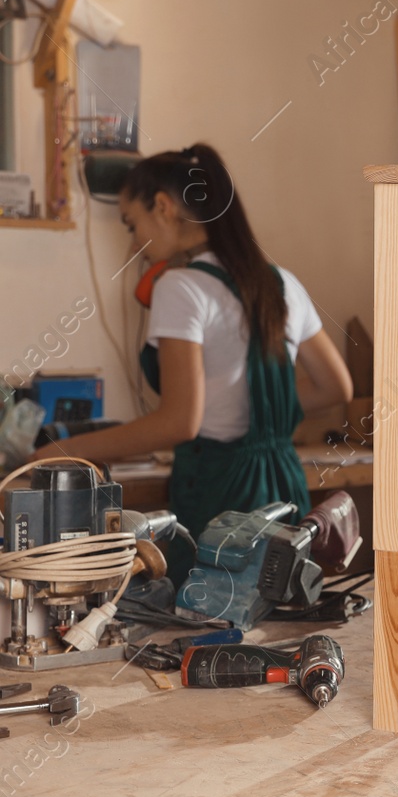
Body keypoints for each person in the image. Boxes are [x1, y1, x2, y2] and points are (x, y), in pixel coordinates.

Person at [32, 144, 353, 583]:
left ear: (162, 207)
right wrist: (254, 409)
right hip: (285, 486)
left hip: (221, 495)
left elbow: (179, 424)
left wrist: (60, 452)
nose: (134, 244)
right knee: (277, 610)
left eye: (132, 224)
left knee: (210, 616)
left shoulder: (180, 287)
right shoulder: (282, 283)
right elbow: (335, 387)